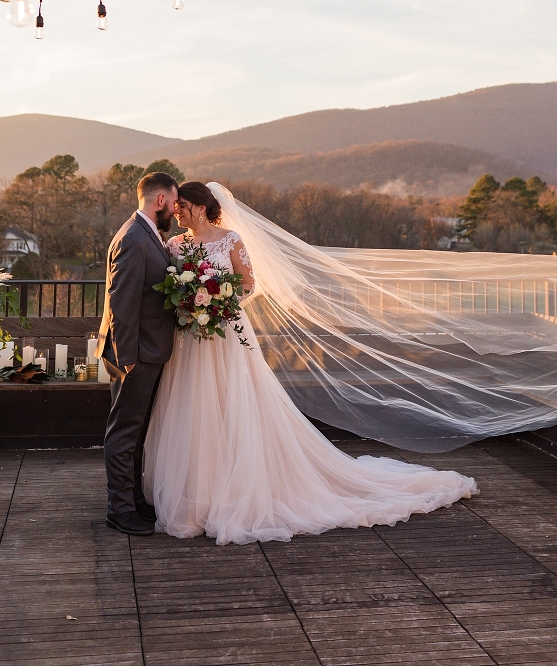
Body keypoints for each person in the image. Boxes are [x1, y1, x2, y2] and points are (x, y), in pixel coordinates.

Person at [141, 180, 477, 545]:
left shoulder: (230, 239)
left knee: (233, 404)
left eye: (185, 205)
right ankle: (194, 496)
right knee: (193, 408)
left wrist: (217, 296)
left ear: (203, 207)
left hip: (225, 332)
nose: (178, 211)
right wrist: (191, 299)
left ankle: (234, 490)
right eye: (178, 206)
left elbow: (249, 284)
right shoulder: (174, 244)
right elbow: (171, 283)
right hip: (190, 337)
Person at [97, 171, 179, 535]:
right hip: (136, 353)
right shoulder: (133, 237)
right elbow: (121, 302)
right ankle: (120, 509)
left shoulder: (146, 234)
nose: (176, 210)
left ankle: (134, 500)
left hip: (146, 349)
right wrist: (127, 357)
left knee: (137, 429)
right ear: (160, 200)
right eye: (175, 203)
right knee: (124, 431)